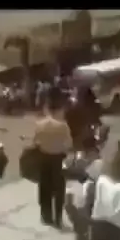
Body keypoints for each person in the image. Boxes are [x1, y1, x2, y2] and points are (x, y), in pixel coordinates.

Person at [34, 91, 73, 227]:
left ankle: (46, 216)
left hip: (43, 157)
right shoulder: (62, 126)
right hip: (58, 159)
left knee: (44, 188)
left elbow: (36, 141)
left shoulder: (39, 124)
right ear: (58, 110)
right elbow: (69, 144)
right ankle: (58, 218)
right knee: (58, 189)